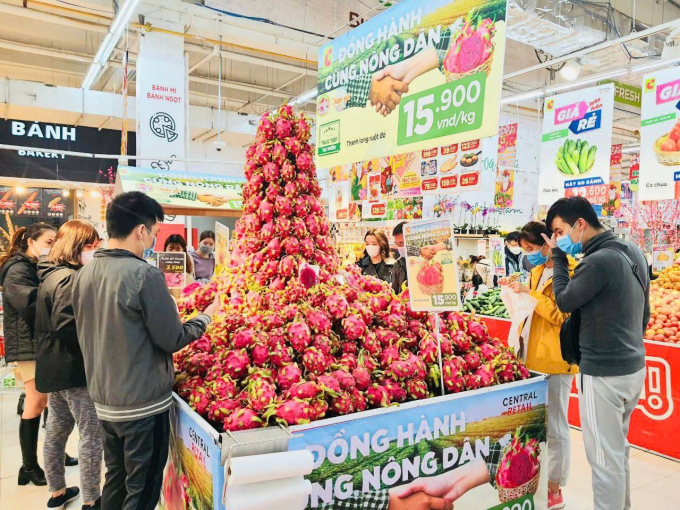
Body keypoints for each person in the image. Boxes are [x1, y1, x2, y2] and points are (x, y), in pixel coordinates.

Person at [72, 192, 218, 510]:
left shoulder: (83, 275)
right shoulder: (144, 275)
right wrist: (207, 316)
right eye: (153, 232)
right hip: (141, 406)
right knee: (141, 490)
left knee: (116, 480)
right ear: (141, 231)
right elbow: (172, 338)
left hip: (105, 400)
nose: (152, 239)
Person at [544, 196, 648, 510]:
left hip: (604, 373)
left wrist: (559, 258)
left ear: (580, 224)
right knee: (618, 452)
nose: (560, 238)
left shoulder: (597, 260)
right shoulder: (634, 252)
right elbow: (645, 312)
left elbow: (563, 300)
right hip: (633, 367)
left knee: (603, 459)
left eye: (560, 231)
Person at [35, 220, 103, 509]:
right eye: (90, 246)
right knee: (91, 434)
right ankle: (92, 499)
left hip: (52, 366)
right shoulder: (70, 278)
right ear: (75, 247)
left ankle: (57, 491)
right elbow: (67, 325)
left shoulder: (49, 275)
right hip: (74, 369)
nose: (95, 251)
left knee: (57, 430)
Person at [510, 220, 578, 510]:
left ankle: (555, 487)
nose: (530, 254)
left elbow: (563, 316)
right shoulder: (537, 270)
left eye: (533, 248)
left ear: (549, 241)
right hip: (529, 358)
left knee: (556, 427)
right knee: (531, 428)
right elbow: (532, 312)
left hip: (555, 361)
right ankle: (532, 480)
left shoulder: (571, 271)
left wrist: (531, 295)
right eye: (525, 250)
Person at [0, 222, 56, 486]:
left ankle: (51, 455)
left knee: (47, 401)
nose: (52, 247)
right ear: (30, 242)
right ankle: (28, 467)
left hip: (39, 343)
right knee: (35, 401)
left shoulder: (34, 267)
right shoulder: (17, 270)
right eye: (48, 242)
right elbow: (32, 305)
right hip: (28, 345)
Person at [391, 221, 408, 294]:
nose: (400, 248)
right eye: (397, 244)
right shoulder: (397, 264)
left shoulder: (424, 261)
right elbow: (395, 292)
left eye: (402, 243)